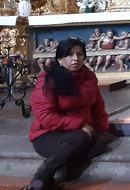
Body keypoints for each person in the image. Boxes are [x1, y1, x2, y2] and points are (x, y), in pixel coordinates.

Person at [23, 38, 118, 190]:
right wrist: (80, 124)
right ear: (60, 59)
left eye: (80, 54)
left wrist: (103, 129)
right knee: (80, 136)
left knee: (100, 141)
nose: (75, 59)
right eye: (69, 55)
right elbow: (45, 117)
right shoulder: (48, 80)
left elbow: (97, 106)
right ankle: (42, 175)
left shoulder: (88, 77)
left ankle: (67, 171)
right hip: (48, 134)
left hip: (80, 132)